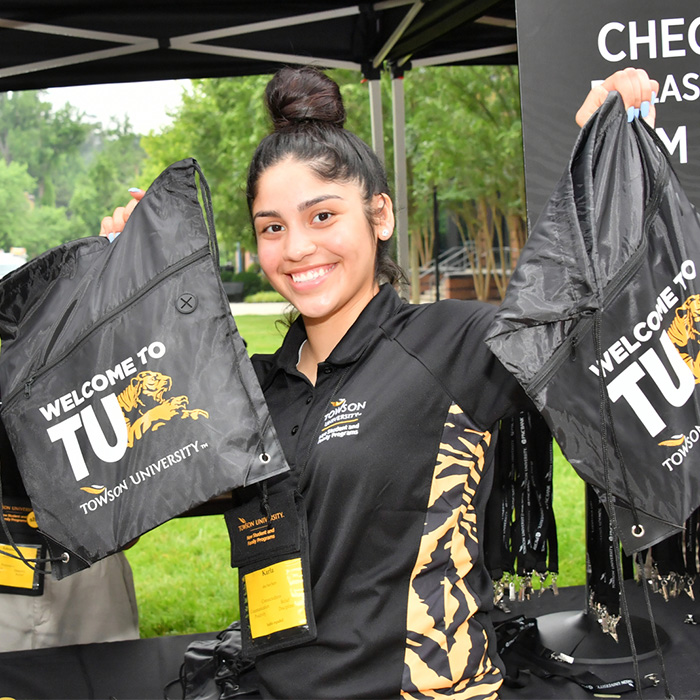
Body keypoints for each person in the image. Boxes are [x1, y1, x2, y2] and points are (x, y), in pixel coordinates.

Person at [103, 66, 658, 698]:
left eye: (323, 215)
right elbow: (134, 465)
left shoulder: (454, 345)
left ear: (380, 216)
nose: (297, 248)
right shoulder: (254, 389)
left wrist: (602, 147)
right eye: (272, 227)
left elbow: (595, 310)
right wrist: (130, 299)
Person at [0, 414, 139, 652]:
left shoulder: (96, 381)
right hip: (11, 567)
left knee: (103, 679)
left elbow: (129, 521)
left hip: (89, 561)